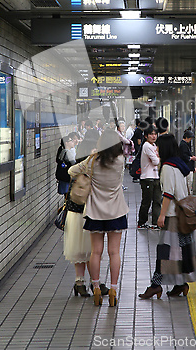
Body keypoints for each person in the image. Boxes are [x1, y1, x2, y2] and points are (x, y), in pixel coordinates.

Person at [69, 130, 128, 307]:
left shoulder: (92, 161)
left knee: (96, 252)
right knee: (114, 252)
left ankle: (95, 287)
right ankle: (113, 290)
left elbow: (72, 170)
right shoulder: (120, 161)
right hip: (116, 211)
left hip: (95, 213)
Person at [139, 133, 196, 299]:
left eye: (158, 146)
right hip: (183, 215)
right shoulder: (180, 164)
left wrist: (161, 215)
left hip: (173, 216)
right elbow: (188, 186)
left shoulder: (167, 167)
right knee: (178, 251)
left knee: (165, 252)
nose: (156, 149)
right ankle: (180, 284)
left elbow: (168, 193)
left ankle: (155, 285)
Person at [137, 125, 162, 229]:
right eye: (151, 134)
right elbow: (156, 161)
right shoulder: (147, 146)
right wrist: (159, 156)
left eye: (155, 134)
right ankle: (142, 222)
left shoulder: (153, 145)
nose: (154, 136)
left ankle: (156, 223)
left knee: (157, 200)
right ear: (146, 136)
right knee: (147, 201)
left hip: (155, 177)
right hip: (147, 178)